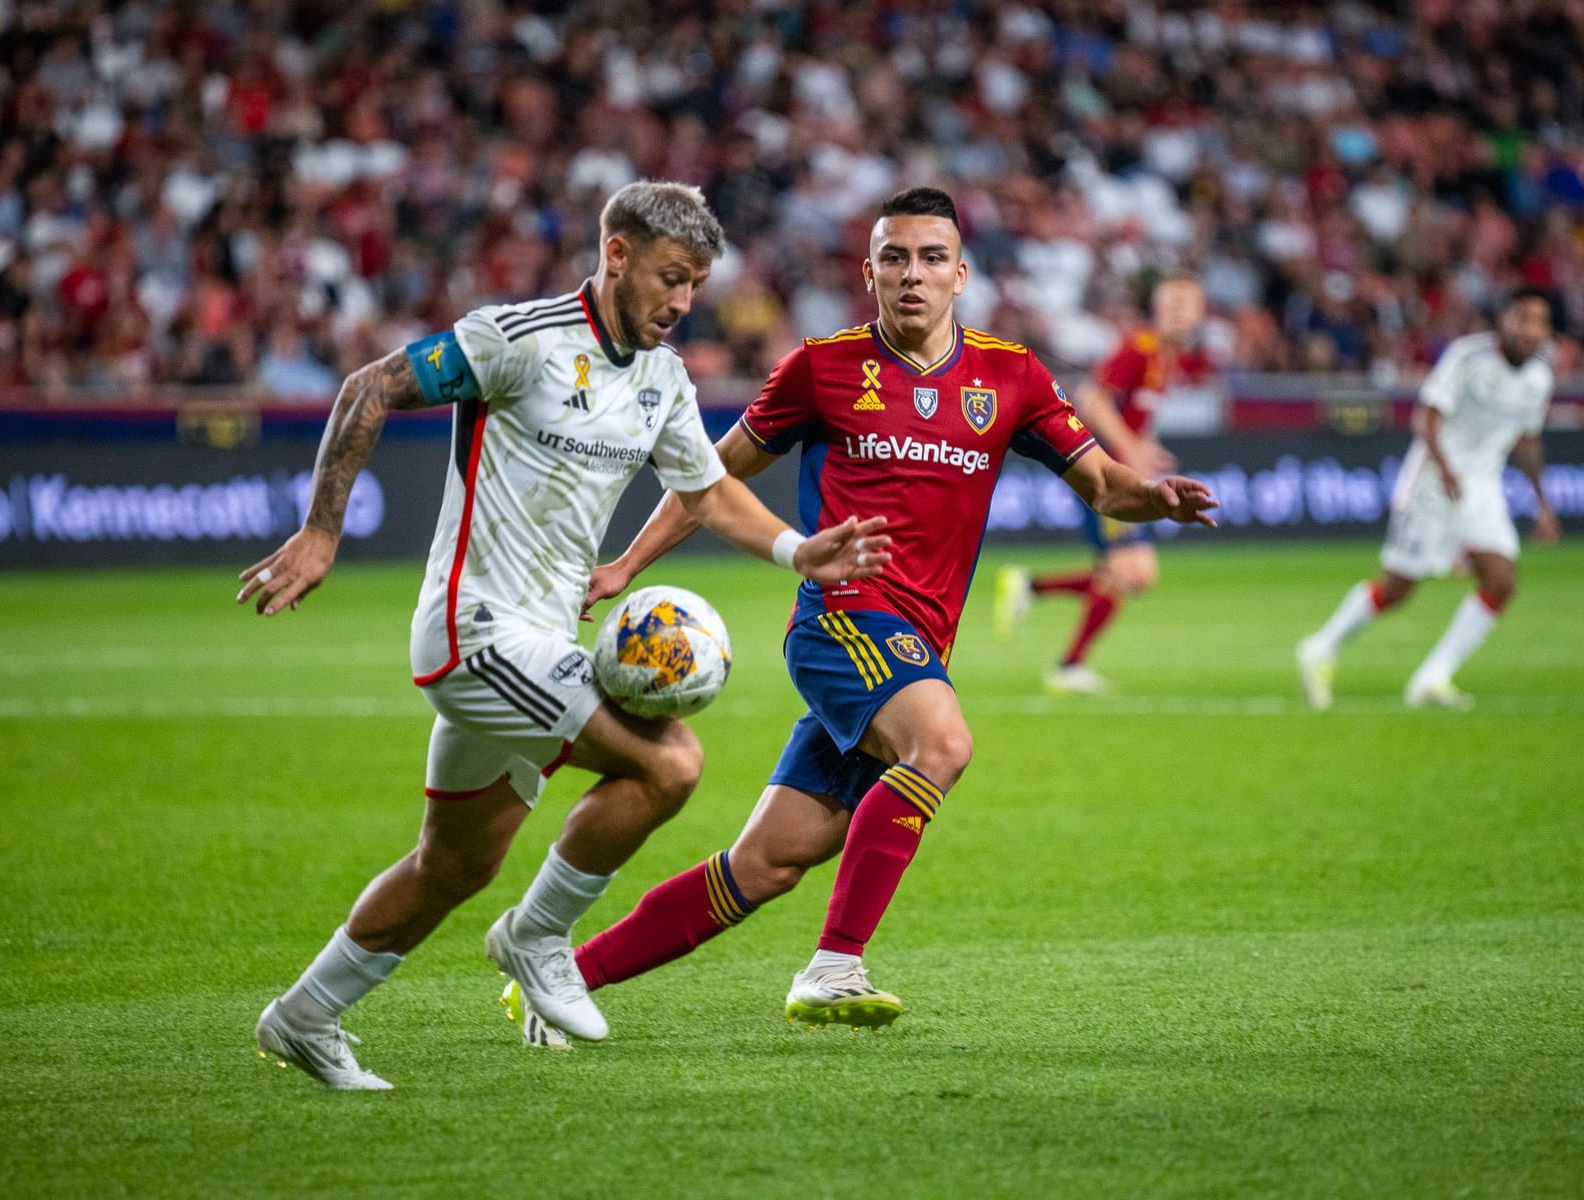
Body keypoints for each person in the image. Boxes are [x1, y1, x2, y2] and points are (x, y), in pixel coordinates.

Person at [518, 187, 1216, 1036]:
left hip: (919, 645)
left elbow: (1106, 484)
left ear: (960, 274)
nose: (911, 274)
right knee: (943, 744)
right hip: (840, 620)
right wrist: (627, 562)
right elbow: (710, 475)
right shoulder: (823, 366)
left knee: (766, 864)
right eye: (894, 258)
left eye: (930, 258)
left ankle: (555, 978)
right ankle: (835, 964)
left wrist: (1157, 497)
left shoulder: (1013, 376)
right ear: (870, 272)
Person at [238, 180, 889, 1089]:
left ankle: (304, 1016)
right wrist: (322, 530)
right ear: (615, 253)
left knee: (451, 865)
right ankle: (540, 937)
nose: (681, 302)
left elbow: (704, 491)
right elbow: (369, 388)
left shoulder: (662, 378)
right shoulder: (518, 340)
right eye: (669, 277)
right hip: (473, 632)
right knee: (670, 764)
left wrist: (794, 550)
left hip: (541, 641)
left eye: (695, 284)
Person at [1295, 286, 1560, 711]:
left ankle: (1433, 677)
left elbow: (1528, 440)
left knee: (1501, 580)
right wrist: (1447, 469)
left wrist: (1543, 503)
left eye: (1541, 322)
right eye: (1523, 318)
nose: (1532, 330)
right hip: (1433, 481)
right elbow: (1428, 416)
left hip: (1483, 486)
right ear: (1505, 320)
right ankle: (1320, 647)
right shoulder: (1470, 357)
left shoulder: (1540, 376)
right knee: (1398, 588)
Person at [993, 276, 1215, 694]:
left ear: (1202, 313)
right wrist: (1130, 453)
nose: (1179, 313)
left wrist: (1148, 449)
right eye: (1172, 305)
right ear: (1156, 309)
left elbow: (1131, 414)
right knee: (1133, 570)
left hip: (1121, 466)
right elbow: (1092, 398)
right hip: (1106, 472)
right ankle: (1068, 665)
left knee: (1126, 573)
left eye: (1188, 305)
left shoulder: (1168, 358)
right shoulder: (1139, 347)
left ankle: (1030, 590)